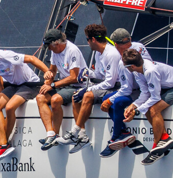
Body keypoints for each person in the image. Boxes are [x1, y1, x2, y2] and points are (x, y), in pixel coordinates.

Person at [0, 43, 50, 163]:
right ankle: (3, 143)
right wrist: (1, 93)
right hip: (14, 86)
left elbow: (31, 58)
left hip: (29, 84)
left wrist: (47, 72)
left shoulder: (5, 56)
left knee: (9, 107)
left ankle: (3, 145)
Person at [122, 49, 173, 165]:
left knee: (153, 109)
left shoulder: (150, 71)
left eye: (126, 67)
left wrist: (137, 112)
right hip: (168, 87)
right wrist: (133, 106)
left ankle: (156, 147)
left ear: (132, 66)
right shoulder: (137, 71)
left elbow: (155, 98)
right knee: (146, 109)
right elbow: (145, 93)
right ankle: (164, 138)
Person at [67, 23, 122, 152]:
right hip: (107, 85)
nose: (87, 43)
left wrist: (88, 89)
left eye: (87, 39)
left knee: (87, 95)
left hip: (117, 88)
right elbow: (98, 74)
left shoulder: (111, 54)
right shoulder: (99, 53)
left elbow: (109, 83)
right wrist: (86, 73)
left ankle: (74, 131)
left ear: (93, 39)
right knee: (76, 95)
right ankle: (82, 135)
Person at [98, 28, 152, 156]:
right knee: (106, 98)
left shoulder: (123, 61)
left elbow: (126, 89)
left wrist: (109, 100)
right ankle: (123, 132)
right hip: (143, 87)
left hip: (142, 91)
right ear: (130, 40)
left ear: (115, 44)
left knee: (116, 101)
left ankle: (115, 136)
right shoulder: (139, 46)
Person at [35, 27, 87, 150]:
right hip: (64, 85)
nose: (48, 49)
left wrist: (52, 85)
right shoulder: (55, 51)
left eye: (49, 46)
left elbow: (74, 77)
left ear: (57, 44)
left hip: (78, 85)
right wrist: (48, 78)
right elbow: (53, 70)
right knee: (40, 97)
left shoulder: (72, 50)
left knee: (55, 99)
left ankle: (56, 133)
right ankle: (50, 133)